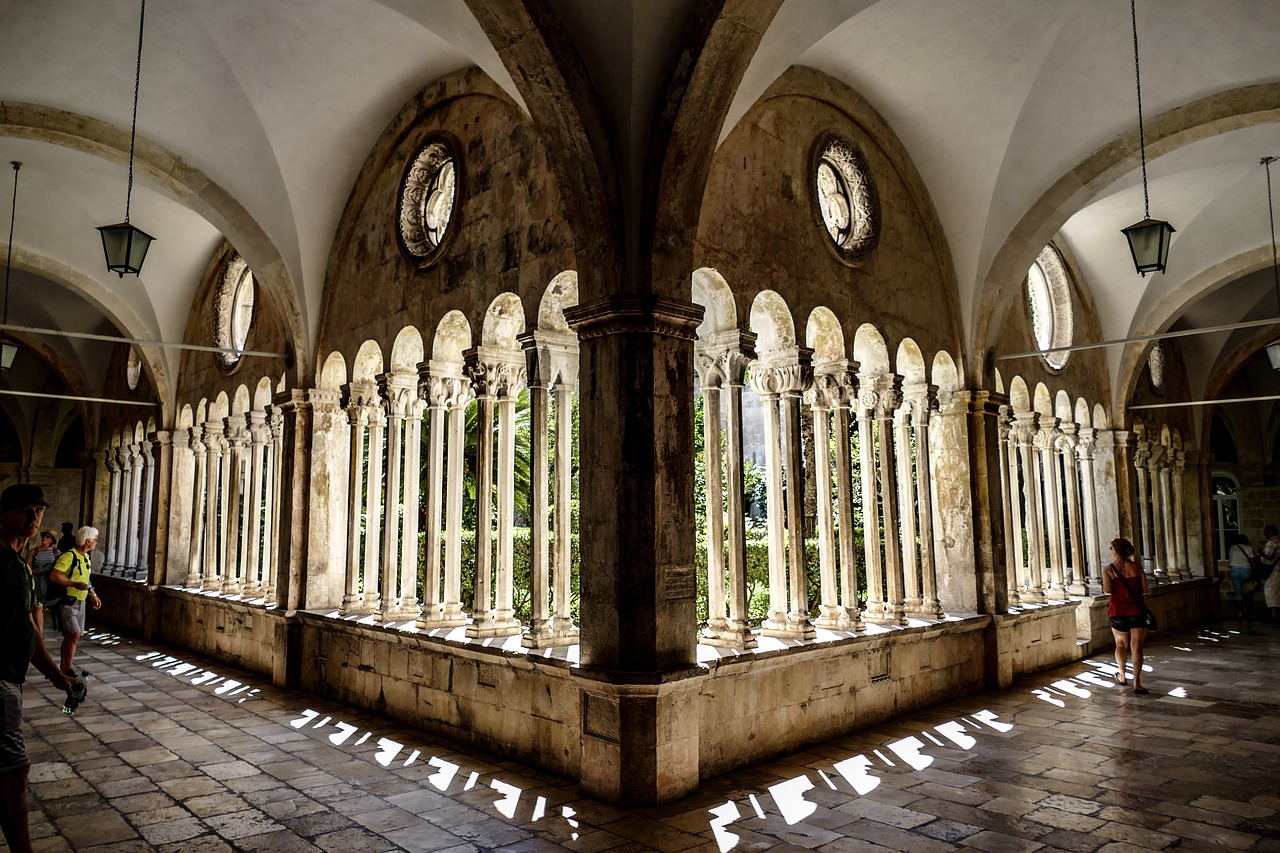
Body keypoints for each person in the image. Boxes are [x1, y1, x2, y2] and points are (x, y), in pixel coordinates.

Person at [0, 485, 78, 852]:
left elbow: (27, 629)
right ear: (4, 513)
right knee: (14, 771)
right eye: (25, 511)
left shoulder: (19, 562)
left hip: (10, 679)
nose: (33, 519)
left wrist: (54, 675)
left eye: (39, 511)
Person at [48, 527, 101, 678]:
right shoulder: (69, 556)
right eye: (95, 540)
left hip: (81, 600)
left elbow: (86, 580)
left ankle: (64, 667)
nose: (96, 543)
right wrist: (73, 584)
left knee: (72, 636)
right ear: (88, 541)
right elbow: (55, 576)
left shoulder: (85, 558)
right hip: (68, 600)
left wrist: (92, 595)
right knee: (74, 633)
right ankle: (68, 668)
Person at [1103, 537, 1150, 695]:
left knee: (1121, 644)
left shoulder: (1109, 569)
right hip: (1136, 610)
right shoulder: (1137, 567)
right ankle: (1137, 683)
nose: (1111, 551)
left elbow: (1107, 591)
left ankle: (1122, 675)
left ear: (1116, 551)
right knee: (1137, 646)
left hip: (1118, 611)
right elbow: (1144, 589)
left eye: (1112, 548)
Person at [24, 530, 59, 635]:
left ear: (52, 540)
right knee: (38, 606)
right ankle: (40, 633)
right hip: (37, 581)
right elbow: (27, 567)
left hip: (49, 582)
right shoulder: (34, 551)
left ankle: (39, 632)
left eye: (47, 537)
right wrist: (35, 572)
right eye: (43, 536)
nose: (44, 538)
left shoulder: (56, 553)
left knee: (41, 606)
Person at [1226, 532, 1257, 619]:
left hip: (1234, 570)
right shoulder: (1248, 548)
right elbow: (1253, 562)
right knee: (1248, 591)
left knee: (1238, 593)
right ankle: (1249, 612)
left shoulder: (1231, 548)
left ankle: (1240, 612)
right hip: (1246, 570)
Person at [1263, 526, 1280, 623]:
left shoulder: (1271, 543)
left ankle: (1273, 615)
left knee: (1270, 590)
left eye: (1266, 532)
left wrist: (1261, 552)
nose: (1264, 534)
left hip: (1274, 570)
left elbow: (1268, 556)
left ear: (1272, 532)